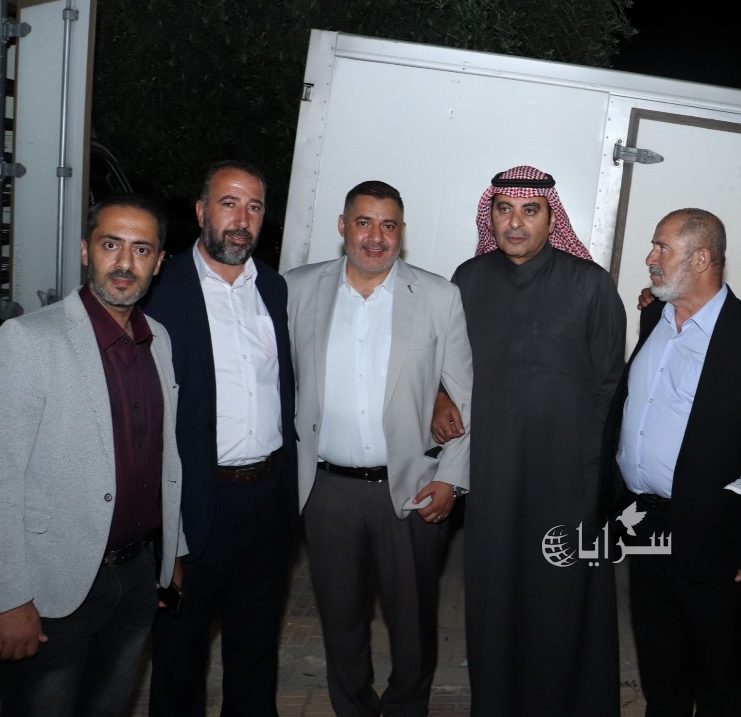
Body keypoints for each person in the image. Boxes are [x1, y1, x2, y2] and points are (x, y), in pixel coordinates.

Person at [0, 195, 184, 716]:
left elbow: (165, 460)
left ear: (158, 262)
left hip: (136, 578)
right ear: (86, 251)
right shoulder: (28, 339)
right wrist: (8, 598)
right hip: (49, 587)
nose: (125, 263)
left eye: (141, 249)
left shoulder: (159, 341)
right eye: (111, 245)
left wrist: (171, 555)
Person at [285, 180, 473, 717]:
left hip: (411, 488)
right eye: (363, 222)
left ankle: (407, 706)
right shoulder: (295, 289)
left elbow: (466, 394)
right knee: (340, 618)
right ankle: (354, 708)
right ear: (342, 226)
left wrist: (451, 478)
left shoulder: (438, 296)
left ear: (402, 233)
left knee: (412, 621)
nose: (375, 237)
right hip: (326, 490)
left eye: (388, 225)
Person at [446, 165, 625, 716]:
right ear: (491, 215)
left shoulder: (591, 284)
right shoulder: (468, 280)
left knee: (563, 596)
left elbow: (610, 389)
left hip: (568, 477)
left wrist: (594, 483)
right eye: (504, 210)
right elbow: (446, 368)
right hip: (493, 474)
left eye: (530, 210)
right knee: (495, 593)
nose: (515, 223)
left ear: (552, 219)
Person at [616, 208, 741, 717]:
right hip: (644, 524)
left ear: (700, 259)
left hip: (715, 537)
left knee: (716, 678)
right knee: (660, 670)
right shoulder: (653, 317)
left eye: (661, 248)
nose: (650, 258)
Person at [145, 160, 298, 716]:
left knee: (255, 646)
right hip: (192, 502)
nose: (241, 219)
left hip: (267, 502)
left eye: (253, 207)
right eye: (229, 203)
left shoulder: (274, 288)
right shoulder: (160, 289)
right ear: (201, 211)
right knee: (179, 652)